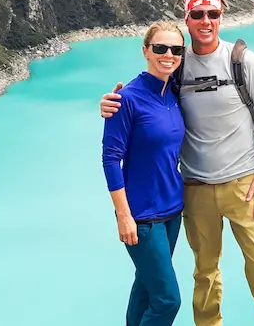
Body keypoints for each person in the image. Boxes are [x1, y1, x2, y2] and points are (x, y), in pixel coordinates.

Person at [100, 0, 254, 326]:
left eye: (213, 14)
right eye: (198, 14)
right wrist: (113, 101)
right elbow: (146, 99)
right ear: (187, 19)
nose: (206, 21)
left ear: (221, 17)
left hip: (244, 185)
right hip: (196, 190)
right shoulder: (178, 67)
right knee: (205, 275)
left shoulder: (242, 61)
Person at [101, 21, 187, 326]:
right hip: (142, 217)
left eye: (176, 49)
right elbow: (111, 159)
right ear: (146, 51)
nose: (169, 55)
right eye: (160, 48)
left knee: (145, 287)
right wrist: (123, 215)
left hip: (173, 212)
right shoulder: (126, 99)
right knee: (167, 300)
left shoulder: (174, 93)